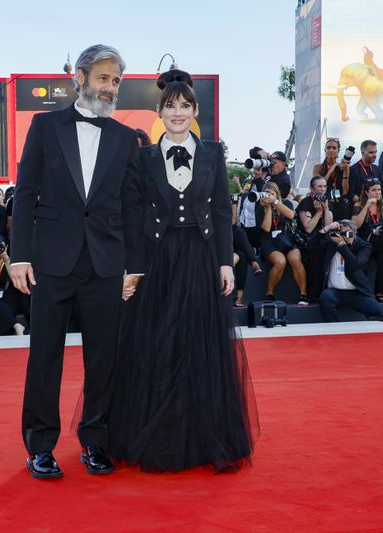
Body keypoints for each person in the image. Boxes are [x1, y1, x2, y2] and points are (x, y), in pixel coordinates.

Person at [108, 69, 258, 473]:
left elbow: (223, 213)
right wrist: (132, 270)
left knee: (200, 349)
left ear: (195, 111)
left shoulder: (212, 152)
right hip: (158, 261)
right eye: (170, 106)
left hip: (201, 256)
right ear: (159, 111)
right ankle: (159, 438)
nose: (177, 112)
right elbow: (132, 219)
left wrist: (226, 262)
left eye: (184, 106)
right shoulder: (142, 158)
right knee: (158, 347)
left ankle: (202, 439)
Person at [10, 44, 141, 479]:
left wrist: (132, 265)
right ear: (80, 77)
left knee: (104, 359)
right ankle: (40, 446)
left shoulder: (125, 139)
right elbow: (25, 193)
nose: (109, 88)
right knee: (44, 356)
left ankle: (96, 440)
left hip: (105, 264)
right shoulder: (45, 127)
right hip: (50, 260)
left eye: (116, 81)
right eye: (103, 78)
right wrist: (19, 256)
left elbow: (130, 207)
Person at [316, 220, 383, 322]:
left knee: (376, 310)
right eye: (342, 233)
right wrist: (326, 229)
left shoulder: (364, 246)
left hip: (357, 292)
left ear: (354, 233)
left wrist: (342, 245)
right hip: (335, 291)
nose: (346, 236)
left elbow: (354, 263)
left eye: (348, 233)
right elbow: (310, 245)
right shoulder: (331, 243)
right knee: (325, 298)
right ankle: (334, 328)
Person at [258, 181, 307, 305]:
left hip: (286, 238)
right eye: (266, 193)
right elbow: (266, 228)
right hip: (269, 239)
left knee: (295, 259)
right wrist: (268, 207)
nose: (268, 196)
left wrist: (275, 202)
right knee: (280, 261)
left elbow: (291, 215)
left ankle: (303, 294)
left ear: (277, 194)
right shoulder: (259, 206)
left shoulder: (286, 203)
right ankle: (269, 293)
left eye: (271, 193)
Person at [297, 176, 333, 302]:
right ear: (312, 188)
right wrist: (318, 212)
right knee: (318, 250)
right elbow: (308, 228)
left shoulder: (327, 202)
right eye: (319, 186)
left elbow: (329, 227)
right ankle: (312, 293)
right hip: (308, 240)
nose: (323, 189)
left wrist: (326, 208)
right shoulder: (306, 202)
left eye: (324, 186)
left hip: (323, 238)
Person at [314, 137, 352, 219]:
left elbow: (345, 191)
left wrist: (346, 171)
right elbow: (319, 185)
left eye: (334, 148)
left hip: (340, 202)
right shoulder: (318, 167)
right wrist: (332, 168)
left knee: (345, 205)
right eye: (328, 148)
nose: (331, 150)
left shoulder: (343, 167)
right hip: (324, 201)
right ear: (325, 150)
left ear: (338, 151)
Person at [348, 140, 382, 210]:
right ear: (362, 153)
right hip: (361, 209)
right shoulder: (353, 170)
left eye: (375, 152)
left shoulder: (376, 168)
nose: (375, 155)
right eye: (371, 152)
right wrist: (365, 204)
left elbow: (381, 190)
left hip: (376, 207)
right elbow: (351, 193)